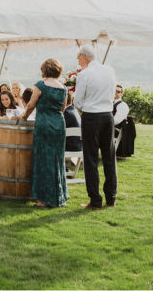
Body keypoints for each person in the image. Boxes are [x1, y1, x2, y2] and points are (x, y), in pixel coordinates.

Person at [74, 44, 117, 209]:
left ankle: (95, 200)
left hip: (91, 116)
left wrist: (84, 109)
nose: (78, 61)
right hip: (108, 116)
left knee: (91, 159)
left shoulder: (84, 74)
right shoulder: (110, 70)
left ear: (84, 56)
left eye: (78, 58)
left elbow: (77, 101)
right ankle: (111, 198)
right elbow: (112, 93)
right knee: (109, 157)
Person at [21, 58, 69, 208]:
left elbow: (31, 105)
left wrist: (23, 117)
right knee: (57, 159)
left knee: (43, 160)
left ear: (44, 70)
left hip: (44, 125)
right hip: (59, 124)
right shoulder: (63, 88)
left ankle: (44, 199)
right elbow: (63, 108)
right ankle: (59, 195)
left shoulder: (40, 85)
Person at [113, 84, 136, 158]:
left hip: (113, 130)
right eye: (114, 90)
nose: (115, 93)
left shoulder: (122, 105)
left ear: (122, 93)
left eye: (118, 91)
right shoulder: (108, 103)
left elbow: (116, 120)